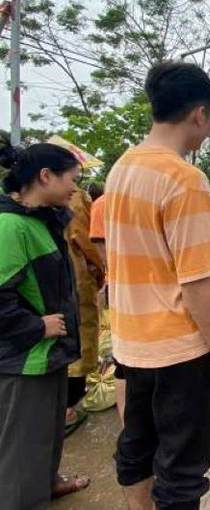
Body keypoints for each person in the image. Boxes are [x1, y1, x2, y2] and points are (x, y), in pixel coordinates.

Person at [106, 62, 210, 510]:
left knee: (137, 446)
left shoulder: (121, 169)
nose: (207, 131)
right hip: (177, 352)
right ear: (200, 114)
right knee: (182, 470)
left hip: (130, 342)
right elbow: (196, 283)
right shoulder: (184, 179)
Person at [0, 139, 91, 506]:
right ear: (45, 176)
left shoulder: (43, 220)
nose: (74, 188)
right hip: (25, 357)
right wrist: (38, 327)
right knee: (23, 443)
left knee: (49, 431)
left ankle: (48, 481)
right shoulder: (10, 227)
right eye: (71, 178)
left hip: (49, 352)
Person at [64, 184, 104, 437]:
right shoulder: (76, 199)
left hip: (56, 280)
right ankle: (67, 410)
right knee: (78, 339)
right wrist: (99, 270)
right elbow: (86, 240)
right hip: (74, 278)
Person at [89, 191, 127, 427]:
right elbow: (102, 248)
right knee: (124, 357)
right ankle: (128, 425)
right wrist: (113, 279)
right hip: (122, 285)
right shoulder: (102, 205)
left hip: (150, 286)